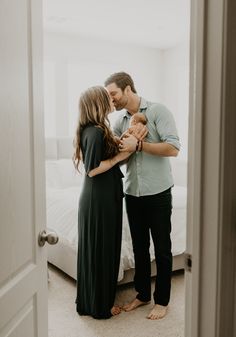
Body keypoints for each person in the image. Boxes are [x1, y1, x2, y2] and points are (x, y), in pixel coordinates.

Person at [105, 72, 180, 320]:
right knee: (139, 247)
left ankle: (162, 301)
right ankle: (143, 294)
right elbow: (117, 155)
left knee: (162, 248)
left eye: (113, 94)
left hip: (158, 192)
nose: (111, 100)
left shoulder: (158, 111)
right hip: (133, 193)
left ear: (127, 89)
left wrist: (139, 145)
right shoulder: (120, 121)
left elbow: (173, 148)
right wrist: (121, 144)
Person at [73, 86, 137, 319]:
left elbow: (103, 161)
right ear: (98, 103)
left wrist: (124, 145)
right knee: (103, 251)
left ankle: (91, 301)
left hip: (100, 197)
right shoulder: (95, 131)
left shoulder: (96, 129)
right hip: (99, 199)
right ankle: (101, 306)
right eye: (106, 96)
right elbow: (93, 170)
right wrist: (121, 155)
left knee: (98, 250)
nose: (111, 99)